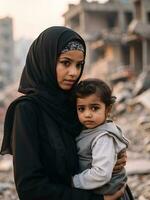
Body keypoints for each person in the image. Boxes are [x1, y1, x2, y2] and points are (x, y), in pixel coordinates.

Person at [0, 26, 128, 200]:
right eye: (65, 63)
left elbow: (97, 139)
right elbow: (30, 188)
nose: (74, 73)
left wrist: (115, 155)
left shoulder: (76, 103)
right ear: (45, 60)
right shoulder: (27, 111)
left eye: (79, 65)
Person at [72, 78, 133, 199]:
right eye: (81, 109)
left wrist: (74, 181)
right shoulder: (89, 130)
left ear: (108, 109)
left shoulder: (103, 137)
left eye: (94, 108)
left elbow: (101, 174)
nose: (87, 114)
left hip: (110, 194)